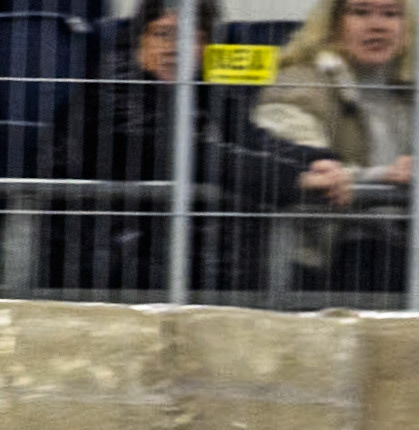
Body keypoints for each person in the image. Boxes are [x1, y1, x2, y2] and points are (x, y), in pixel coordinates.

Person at [48, 0, 350, 291]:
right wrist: (295, 178)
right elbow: (190, 155)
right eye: (163, 34)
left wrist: (318, 160)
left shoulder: (205, 93)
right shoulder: (113, 91)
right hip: (105, 269)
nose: (175, 48)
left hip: (183, 267)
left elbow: (253, 138)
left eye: (192, 36)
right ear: (139, 40)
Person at [252, 0, 419, 293]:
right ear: (333, 22)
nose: (378, 25)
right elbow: (293, 166)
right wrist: (381, 177)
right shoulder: (299, 86)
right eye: (361, 12)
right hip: (324, 263)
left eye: (391, 14)